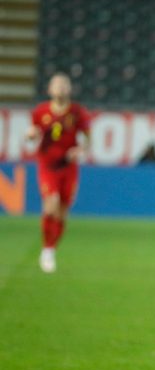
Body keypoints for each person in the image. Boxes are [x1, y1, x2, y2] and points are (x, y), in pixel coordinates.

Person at [26, 72, 91, 274]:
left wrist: (80, 149)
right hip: (48, 166)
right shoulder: (40, 111)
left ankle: (51, 249)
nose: (61, 88)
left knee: (62, 212)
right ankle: (46, 249)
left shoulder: (78, 113)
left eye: (64, 85)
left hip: (68, 167)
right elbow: (32, 133)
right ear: (49, 90)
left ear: (69, 89)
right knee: (51, 205)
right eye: (57, 85)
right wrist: (30, 135)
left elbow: (88, 139)